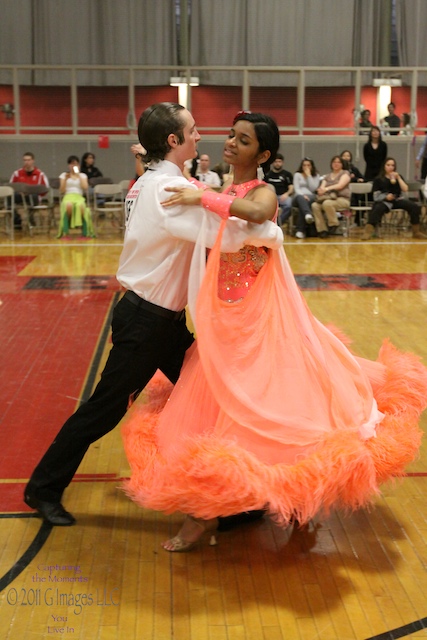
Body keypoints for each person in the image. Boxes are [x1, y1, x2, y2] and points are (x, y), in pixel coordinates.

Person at [120, 111, 427, 553]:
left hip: (256, 317)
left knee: (264, 409)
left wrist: (200, 198)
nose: (231, 143)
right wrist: (159, 165)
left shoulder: (261, 190)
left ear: (262, 154)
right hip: (223, 315)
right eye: (231, 135)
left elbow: (259, 212)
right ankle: (217, 510)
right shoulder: (219, 187)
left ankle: (271, 503)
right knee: (223, 412)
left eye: (243, 141)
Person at [23, 103, 283, 526]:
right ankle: (42, 489)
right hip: (146, 323)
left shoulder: (158, 180)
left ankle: (238, 498)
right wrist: (274, 231)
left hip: (162, 321)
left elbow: (190, 188)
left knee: (212, 398)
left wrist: (154, 159)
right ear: (174, 141)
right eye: (193, 131)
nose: (203, 137)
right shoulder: (165, 189)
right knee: (104, 409)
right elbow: (228, 236)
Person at [361, 157, 427, 240]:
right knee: (378, 208)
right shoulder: (378, 179)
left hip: (397, 199)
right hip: (384, 200)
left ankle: (416, 231)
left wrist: (398, 178)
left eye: (392, 165)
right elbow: (375, 196)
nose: (390, 167)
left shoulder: (398, 177)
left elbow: (405, 189)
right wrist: (386, 197)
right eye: (388, 165)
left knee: (413, 206)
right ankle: (368, 232)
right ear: (384, 166)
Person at [311, 156, 351, 238]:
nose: (336, 164)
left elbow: (340, 186)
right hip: (328, 198)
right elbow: (322, 187)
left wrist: (326, 189)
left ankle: (333, 224)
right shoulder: (327, 176)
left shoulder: (345, 173)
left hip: (342, 199)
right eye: (334, 162)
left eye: (338, 162)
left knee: (327, 203)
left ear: (342, 164)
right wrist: (321, 190)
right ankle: (322, 230)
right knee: (315, 205)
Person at [57, 156, 95, 239]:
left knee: (81, 206)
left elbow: (85, 187)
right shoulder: (64, 175)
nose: (73, 166)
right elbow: (61, 190)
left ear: (79, 166)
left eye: (76, 164)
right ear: (68, 165)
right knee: (69, 205)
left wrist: (79, 176)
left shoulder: (83, 175)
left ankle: (84, 233)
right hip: (68, 196)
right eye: (71, 164)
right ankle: (66, 232)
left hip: (78, 197)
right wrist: (66, 180)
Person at [9, 152, 49, 228]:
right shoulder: (17, 173)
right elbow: (11, 187)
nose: (27, 162)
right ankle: (16, 219)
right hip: (20, 196)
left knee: (33, 196)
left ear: (33, 161)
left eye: (29, 160)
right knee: (9, 198)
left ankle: (31, 217)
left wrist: (33, 192)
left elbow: (45, 189)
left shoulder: (40, 174)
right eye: (25, 160)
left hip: (33, 196)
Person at [292, 157, 321, 239]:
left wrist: (309, 176)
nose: (306, 167)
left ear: (312, 166)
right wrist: (302, 195)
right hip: (298, 197)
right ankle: (307, 214)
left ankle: (300, 231)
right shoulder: (297, 175)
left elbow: (313, 189)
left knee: (303, 205)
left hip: (311, 197)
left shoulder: (316, 175)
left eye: (308, 165)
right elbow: (296, 188)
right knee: (301, 199)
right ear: (301, 166)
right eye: (304, 165)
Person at [264, 153, 294, 227]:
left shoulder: (287, 174)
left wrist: (287, 194)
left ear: (282, 163)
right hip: (270, 198)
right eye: (275, 162)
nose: (277, 164)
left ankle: (277, 223)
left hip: (283, 196)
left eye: (279, 162)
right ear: (273, 163)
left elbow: (291, 188)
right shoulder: (267, 175)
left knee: (289, 205)